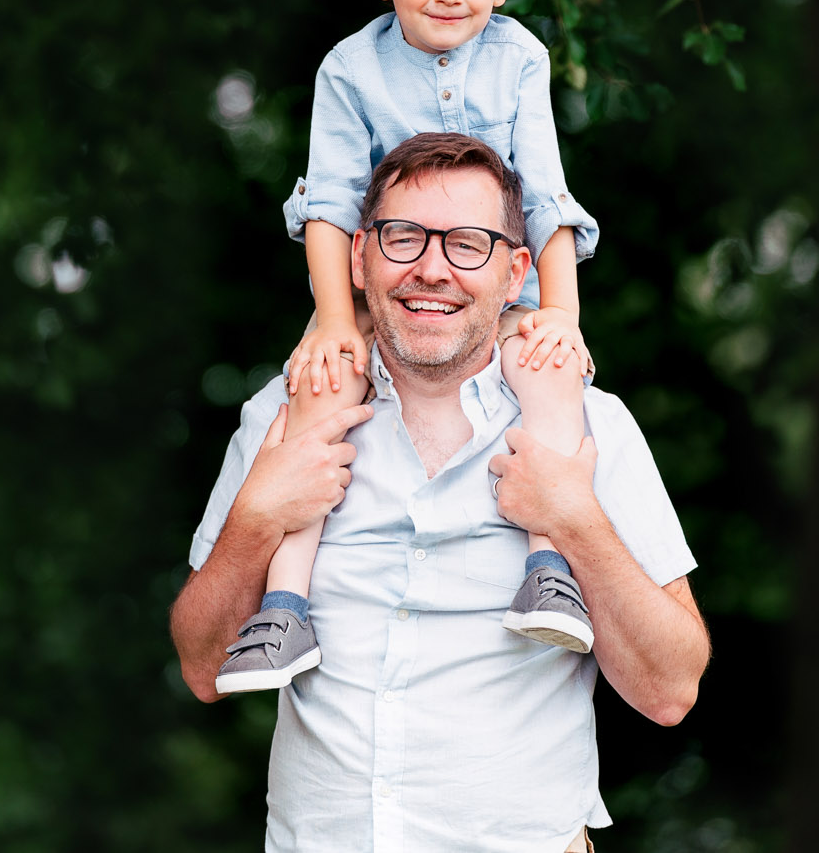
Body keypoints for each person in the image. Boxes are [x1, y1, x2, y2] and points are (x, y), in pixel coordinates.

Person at [170, 134, 710, 852]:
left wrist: (573, 519)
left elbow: (670, 689)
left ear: (516, 269)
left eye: (468, 244)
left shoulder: (589, 424)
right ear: (358, 257)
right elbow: (203, 669)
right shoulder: (288, 413)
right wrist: (258, 517)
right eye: (403, 238)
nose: (431, 270)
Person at [219, 0, 604, 696]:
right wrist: (332, 320)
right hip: (379, 291)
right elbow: (326, 202)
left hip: (494, 289)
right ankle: (285, 606)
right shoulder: (349, 70)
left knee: (547, 374)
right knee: (324, 391)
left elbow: (544, 196)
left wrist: (560, 314)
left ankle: (550, 569)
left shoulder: (521, 59)